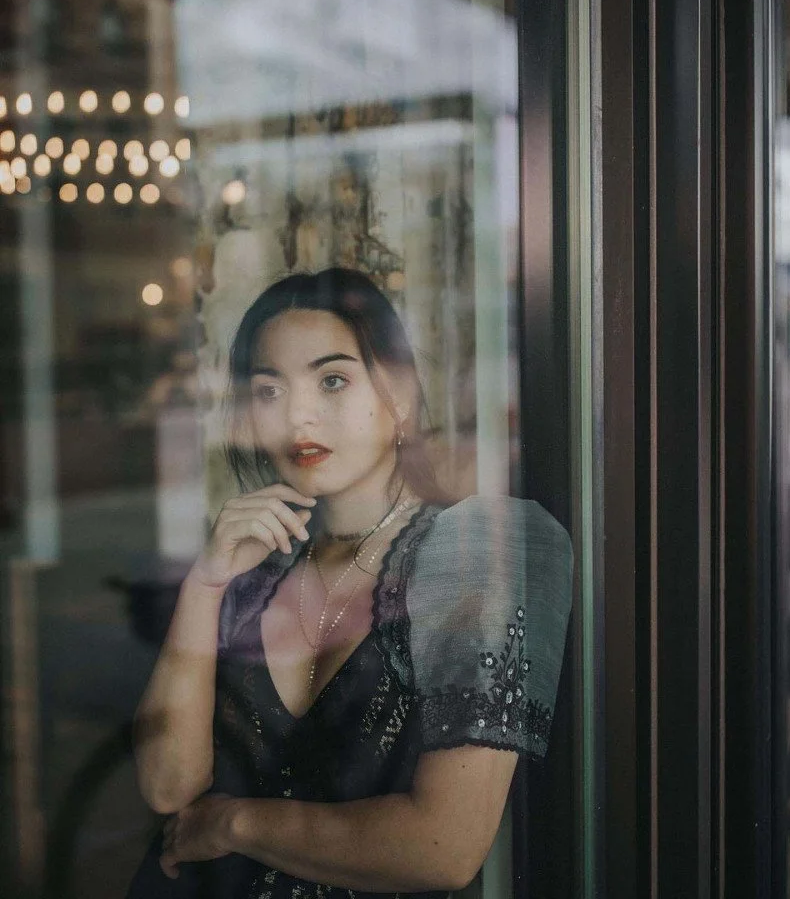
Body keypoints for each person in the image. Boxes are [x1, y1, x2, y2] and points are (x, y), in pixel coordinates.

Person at [127, 267, 573, 899]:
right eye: (269, 390)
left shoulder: (476, 550)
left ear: (401, 394)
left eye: (332, 380)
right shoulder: (254, 567)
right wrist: (204, 584)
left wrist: (234, 822)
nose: (298, 415)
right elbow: (167, 787)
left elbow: (443, 848)